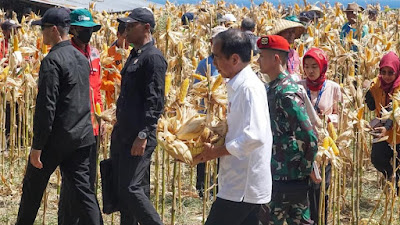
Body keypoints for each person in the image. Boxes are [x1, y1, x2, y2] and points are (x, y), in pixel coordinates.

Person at [15, 7, 103, 225]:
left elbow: (47, 107)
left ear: (54, 30)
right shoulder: (82, 58)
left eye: (43, 29)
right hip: (82, 137)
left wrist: (37, 147)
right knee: (84, 193)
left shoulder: (52, 61)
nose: (41, 34)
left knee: (32, 189)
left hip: (57, 139)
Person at [194, 29, 273, 225]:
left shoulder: (248, 89)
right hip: (238, 185)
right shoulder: (238, 85)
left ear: (235, 59)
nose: (213, 62)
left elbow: (255, 136)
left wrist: (216, 152)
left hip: (242, 188)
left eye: (217, 57)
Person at [110, 7, 167, 225]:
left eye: (131, 26)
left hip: (138, 137)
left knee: (132, 188)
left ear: (146, 28)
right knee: (126, 191)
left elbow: (155, 101)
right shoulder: (135, 55)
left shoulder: (153, 58)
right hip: (124, 134)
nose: (126, 30)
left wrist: (143, 135)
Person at [257, 35, 318, 225]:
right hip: (277, 173)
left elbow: (309, 135)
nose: (258, 60)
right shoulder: (272, 88)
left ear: (276, 59)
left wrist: (306, 168)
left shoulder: (286, 92)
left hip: (287, 176)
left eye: (262, 56)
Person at [57, 8, 103, 225]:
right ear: (72, 29)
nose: (87, 33)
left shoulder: (94, 55)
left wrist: (101, 117)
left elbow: (98, 90)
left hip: (93, 127)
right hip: (74, 128)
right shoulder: (65, 55)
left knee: (88, 180)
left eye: (90, 29)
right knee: (72, 182)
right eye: (83, 29)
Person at [298, 48, 342, 225]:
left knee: (321, 188)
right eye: (307, 66)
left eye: (315, 66)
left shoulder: (333, 88)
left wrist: (328, 119)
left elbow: (341, 115)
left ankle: (320, 220)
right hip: (303, 145)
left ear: (323, 67)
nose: (310, 71)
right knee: (304, 188)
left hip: (324, 146)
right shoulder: (299, 86)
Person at [365, 51, 400, 191]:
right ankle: (390, 176)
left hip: (397, 132)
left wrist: (387, 127)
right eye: (383, 72)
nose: (386, 76)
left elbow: (394, 110)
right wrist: (365, 91)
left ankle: (396, 188)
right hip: (382, 132)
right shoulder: (376, 84)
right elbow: (372, 105)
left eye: (390, 72)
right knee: (377, 159)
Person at [102, 22, 128, 108]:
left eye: (129, 37)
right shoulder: (108, 55)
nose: (127, 41)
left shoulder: (132, 53)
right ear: (118, 35)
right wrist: (116, 86)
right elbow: (101, 82)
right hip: (113, 105)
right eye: (125, 37)